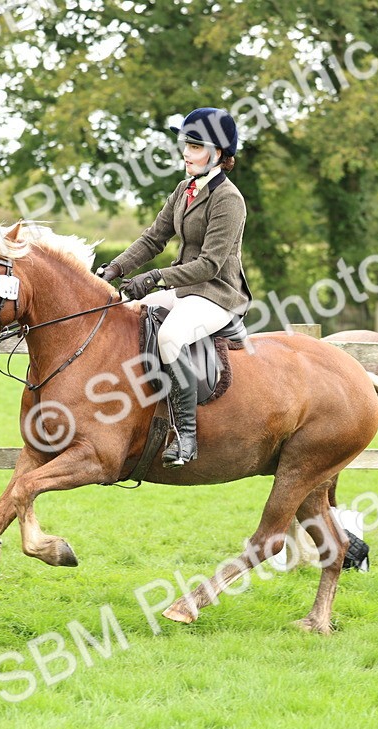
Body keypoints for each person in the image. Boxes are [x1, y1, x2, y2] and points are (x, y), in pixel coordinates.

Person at [95, 107, 251, 467]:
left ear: (218, 153)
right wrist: (113, 269)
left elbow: (210, 265)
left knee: (170, 336)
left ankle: (185, 436)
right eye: (186, 145)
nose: (186, 153)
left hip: (217, 294)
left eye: (195, 147)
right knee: (127, 312)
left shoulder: (229, 200)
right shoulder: (184, 189)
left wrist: (154, 278)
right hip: (185, 290)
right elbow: (153, 239)